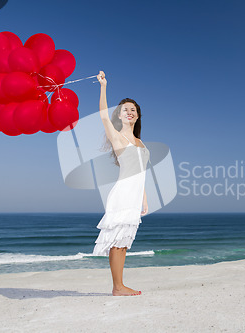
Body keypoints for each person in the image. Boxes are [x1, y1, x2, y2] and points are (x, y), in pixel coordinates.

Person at [92, 70, 150, 296]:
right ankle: (117, 287)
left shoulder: (140, 141)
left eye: (133, 110)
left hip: (135, 196)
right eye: (125, 109)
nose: (129, 112)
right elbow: (104, 116)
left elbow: (141, 173)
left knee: (124, 242)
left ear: (137, 116)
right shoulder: (117, 136)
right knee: (117, 241)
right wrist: (103, 86)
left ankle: (119, 285)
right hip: (122, 194)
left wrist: (144, 199)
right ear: (120, 114)